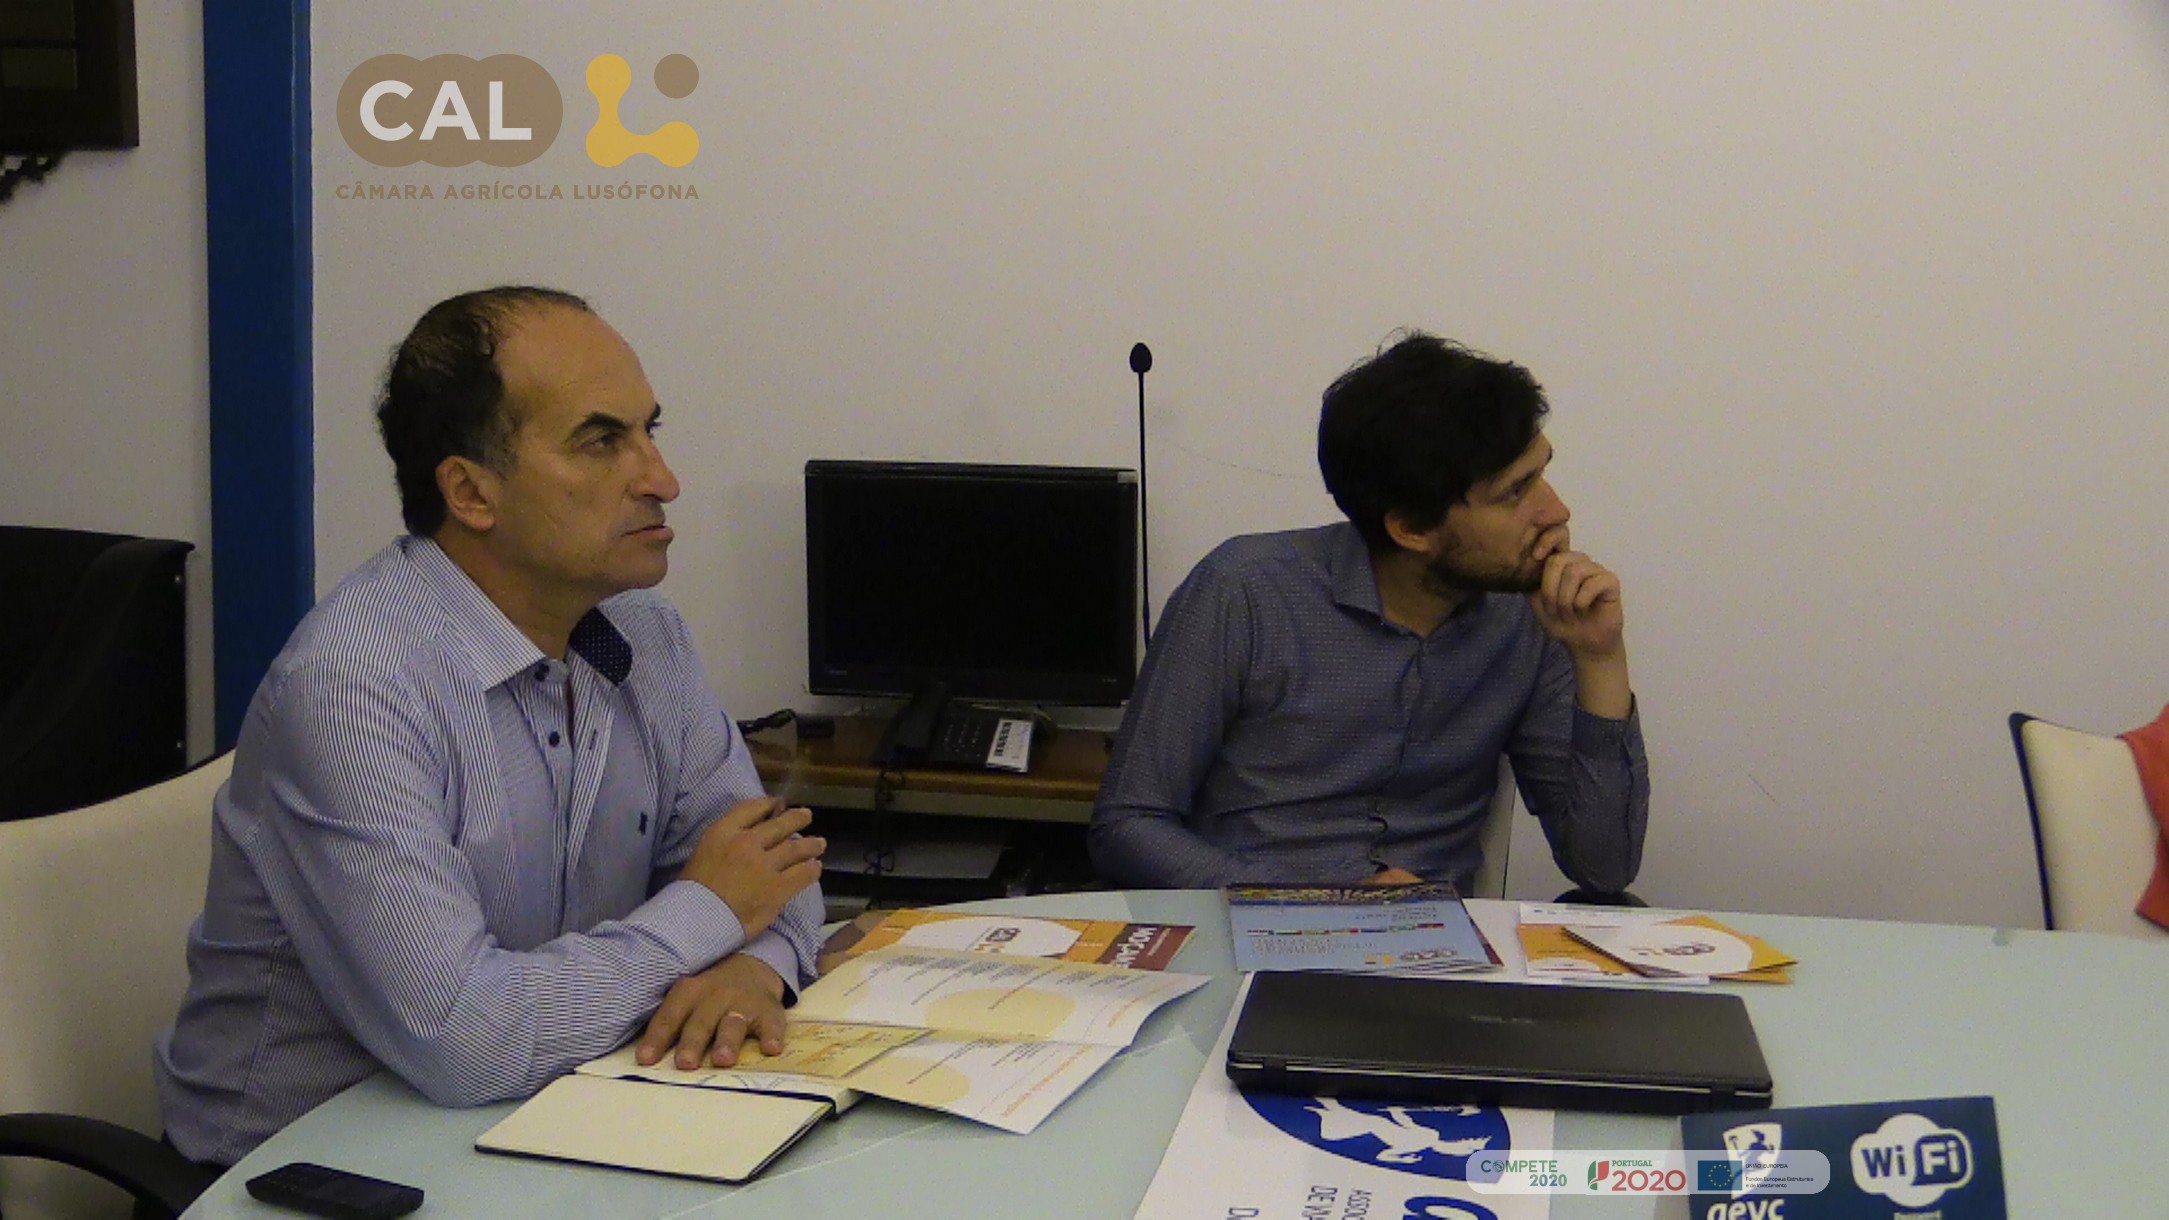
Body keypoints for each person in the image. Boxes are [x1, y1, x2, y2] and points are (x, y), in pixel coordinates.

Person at [155, 287, 826, 1167]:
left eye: (649, 431)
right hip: (307, 1172)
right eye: (602, 441)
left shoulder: (646, 633)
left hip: (553, 1117)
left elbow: (771, 870)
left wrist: (753, 965)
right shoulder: (354, 688)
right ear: (471, 492)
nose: (662, 480)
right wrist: (709, 914)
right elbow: (466, 1039)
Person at [1088, 331, 1648, 893]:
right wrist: (1311, 902)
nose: (1557, 509)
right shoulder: (1244, 593)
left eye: (1542, 472)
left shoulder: (1528, 615)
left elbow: (1604, 871)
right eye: (1515, 492)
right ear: (1412, 528)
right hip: (1247, 922)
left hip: (1432, 936)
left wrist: (1599, 659)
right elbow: (1127, 825)